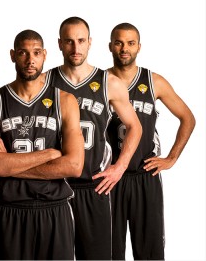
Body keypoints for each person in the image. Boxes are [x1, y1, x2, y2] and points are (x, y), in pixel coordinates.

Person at [0, 29, 85, 260]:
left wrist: (11, 165)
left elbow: (74, 166)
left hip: (55, 209)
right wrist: (50, 153)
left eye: (36, 53)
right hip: (10, 210)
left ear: (45, 55)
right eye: (23, 53)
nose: (30, 59)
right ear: (13, 55)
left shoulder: (64, 100)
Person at [45, 16, 142, 260]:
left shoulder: (109, 82)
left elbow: (135, 126)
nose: (75, 48)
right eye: (69, 41)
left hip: (93, 186)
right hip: (54, 187)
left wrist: (120, 167)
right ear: (59, 44)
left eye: (80, 41)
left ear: (90, 43)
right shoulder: (45, 81)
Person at [107, 22, 196, 260]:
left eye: (130, 43)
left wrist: (171, 158)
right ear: (110, 46)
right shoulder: (100, 82)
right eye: (118, 43)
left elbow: (187, 118)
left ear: (139, 47)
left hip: (145, 176)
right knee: (108, 251)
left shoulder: (153, 81)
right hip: (110, 178)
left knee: (150, 252)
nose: (124, 48)